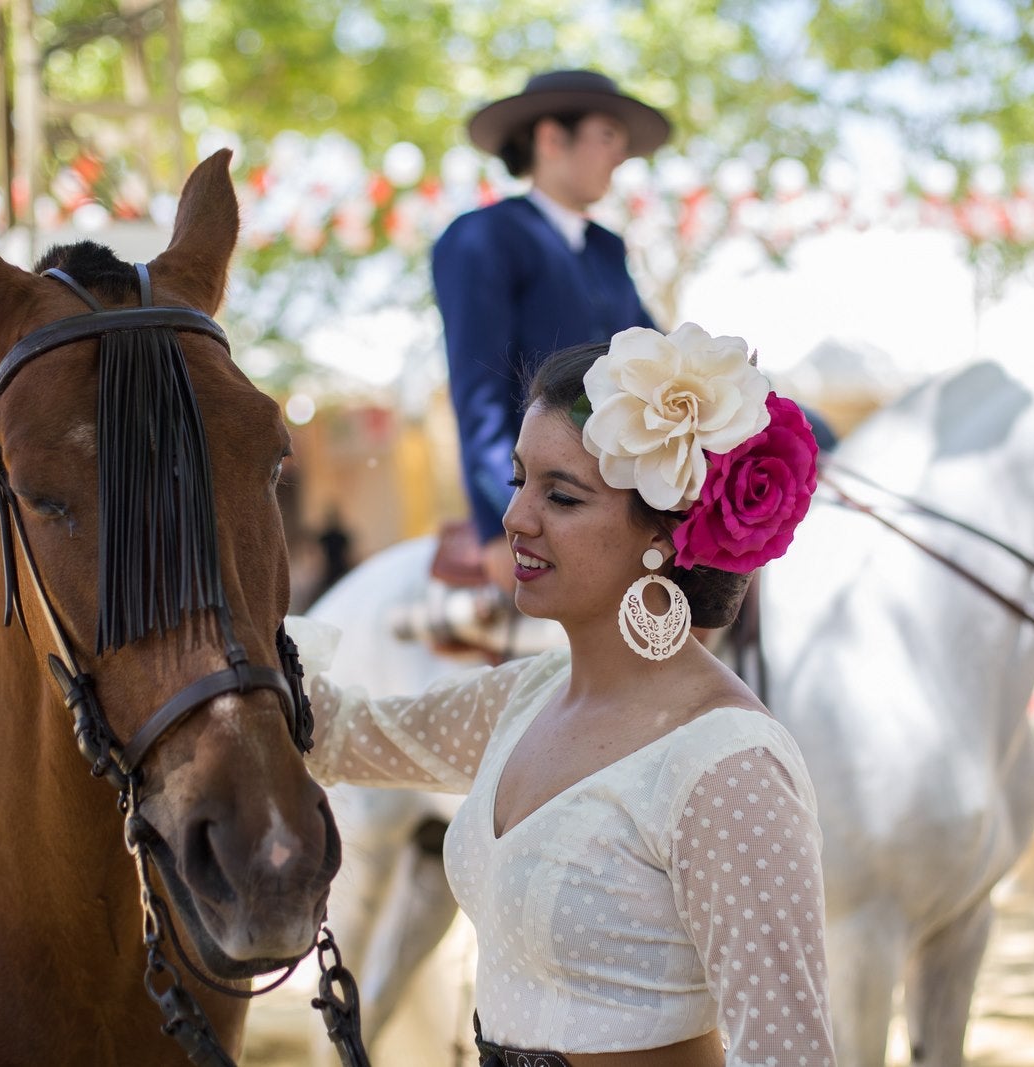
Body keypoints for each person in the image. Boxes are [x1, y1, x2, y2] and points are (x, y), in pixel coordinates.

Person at [293, 324, 833, 1065]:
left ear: (664, 534)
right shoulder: (526, 697)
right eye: (518, 481)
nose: (515, 518)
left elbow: (788, 1054)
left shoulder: (729, 766)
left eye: (562, 496)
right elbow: (341, 732)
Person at [432, 69, 669, 594]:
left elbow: (660, 360)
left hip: (622, 498)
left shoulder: (607, 248)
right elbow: (479, 395)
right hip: (545, 500)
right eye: (607, 136)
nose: (620, 155)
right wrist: (504, 520)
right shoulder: (482, 237)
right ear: (551, 138)